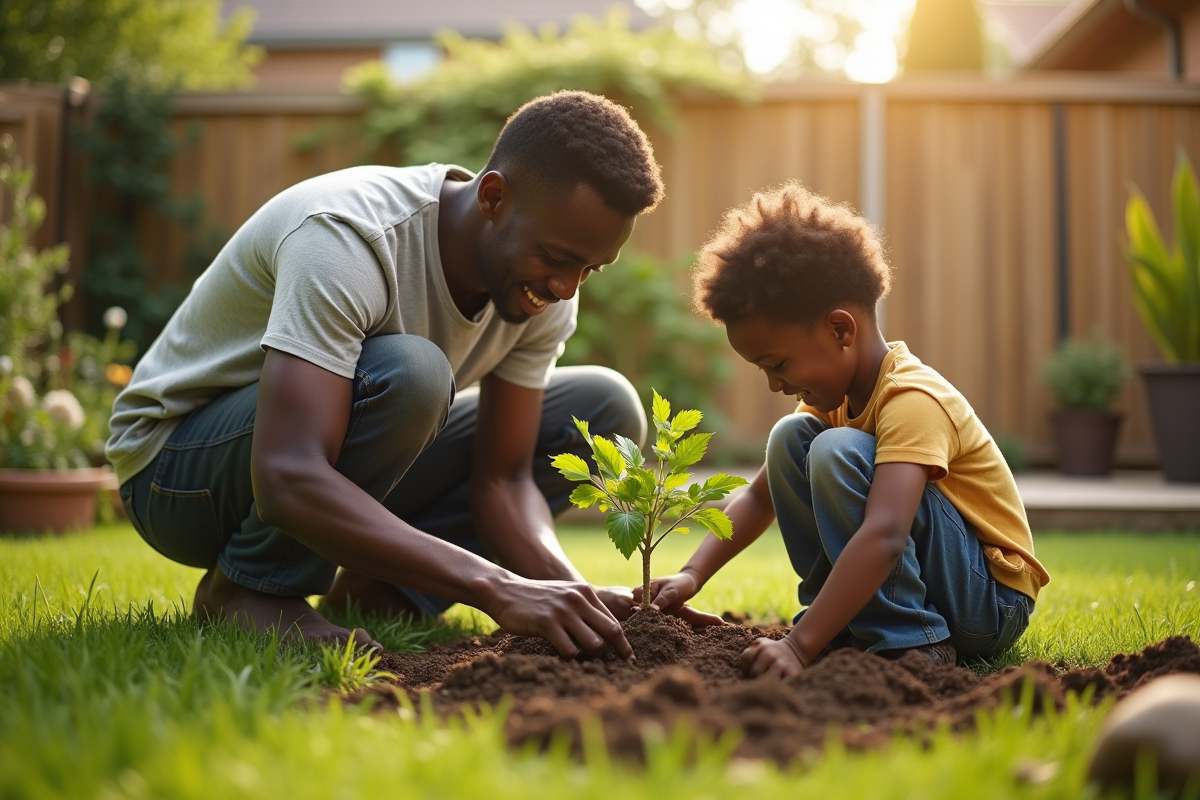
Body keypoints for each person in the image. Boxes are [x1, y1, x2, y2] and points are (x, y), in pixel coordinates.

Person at [107, 90, 674, 660]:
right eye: (555, 258)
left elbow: (502, 481)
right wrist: (495, 586)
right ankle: (245, 590)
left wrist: (572, 594)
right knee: (414, 376)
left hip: (315, 454)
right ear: (494, 197)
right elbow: (286, 475)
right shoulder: (347, 238)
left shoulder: (544, 294)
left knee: (603, 408)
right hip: (175, 469)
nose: (565, 288)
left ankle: (381, 589)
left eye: (589, 269)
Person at [642, 182, 1050, 677]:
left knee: (836, 451)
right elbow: (758, 499)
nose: (775, 385)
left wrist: (796, 647)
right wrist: (691, 574)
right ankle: (840, 626)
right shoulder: (830, 403)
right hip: (942, 584)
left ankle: (908, 638)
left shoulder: (913, 399)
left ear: (840, 330)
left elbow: (884, 534)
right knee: (788, 442)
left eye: (778, 364)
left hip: (986, 601)